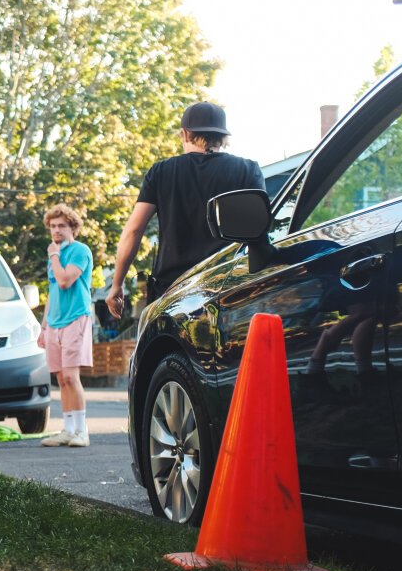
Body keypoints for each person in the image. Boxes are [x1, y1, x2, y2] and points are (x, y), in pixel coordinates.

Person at [106, 101, 265, 320]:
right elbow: (260, 228)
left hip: (173, 291)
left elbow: (134, 230)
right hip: (228, 286)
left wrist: (117, 283)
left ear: (184, 133)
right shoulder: (248, 170)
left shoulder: (161, 172)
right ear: (223, 136)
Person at [40, 203, 93, 447]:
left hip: (76, 318)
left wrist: (53, 255)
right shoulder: (54, 254)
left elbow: (63, 281)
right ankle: (68, 430)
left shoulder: (79, 250)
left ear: (73, 228)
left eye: (61, 225)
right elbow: (52, 291)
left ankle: (82, 431)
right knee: (61, 379)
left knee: (72, 376)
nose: (56, 230)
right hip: (54, 322)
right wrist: (43, 325)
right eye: (52, 226)